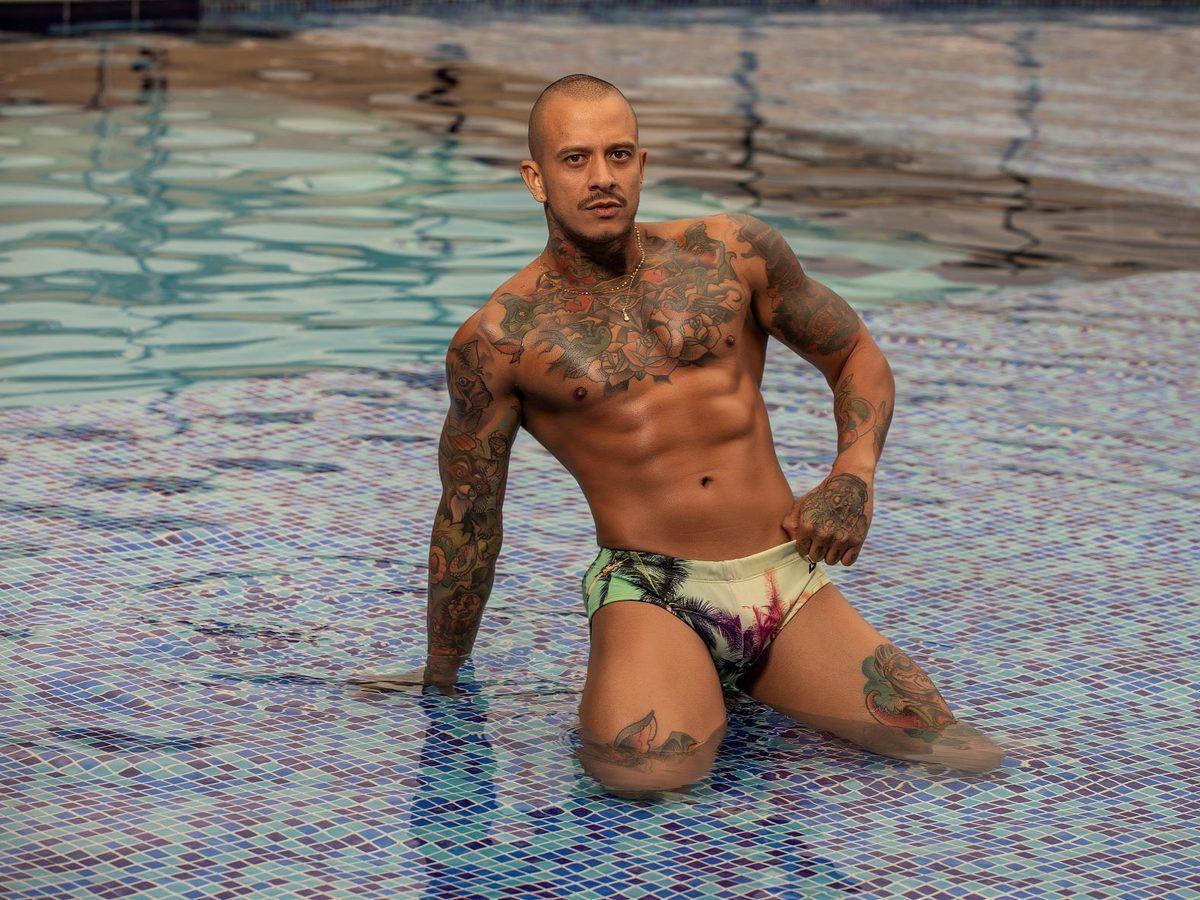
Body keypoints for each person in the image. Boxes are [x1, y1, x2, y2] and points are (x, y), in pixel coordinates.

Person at [349, 74, 1006, 795]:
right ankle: (680, 672)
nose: (602, 177)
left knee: (955, 752)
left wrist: (853, 473)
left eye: (618, 155)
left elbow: (853, 353)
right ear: (536, 179)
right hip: (652, 591)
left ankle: (732, 682)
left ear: (642, 164)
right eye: (575, 159)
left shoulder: (732, 253)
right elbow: (469, 513)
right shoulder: (501, 340)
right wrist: (443, 673)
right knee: (642, 778)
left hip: (784, 580)